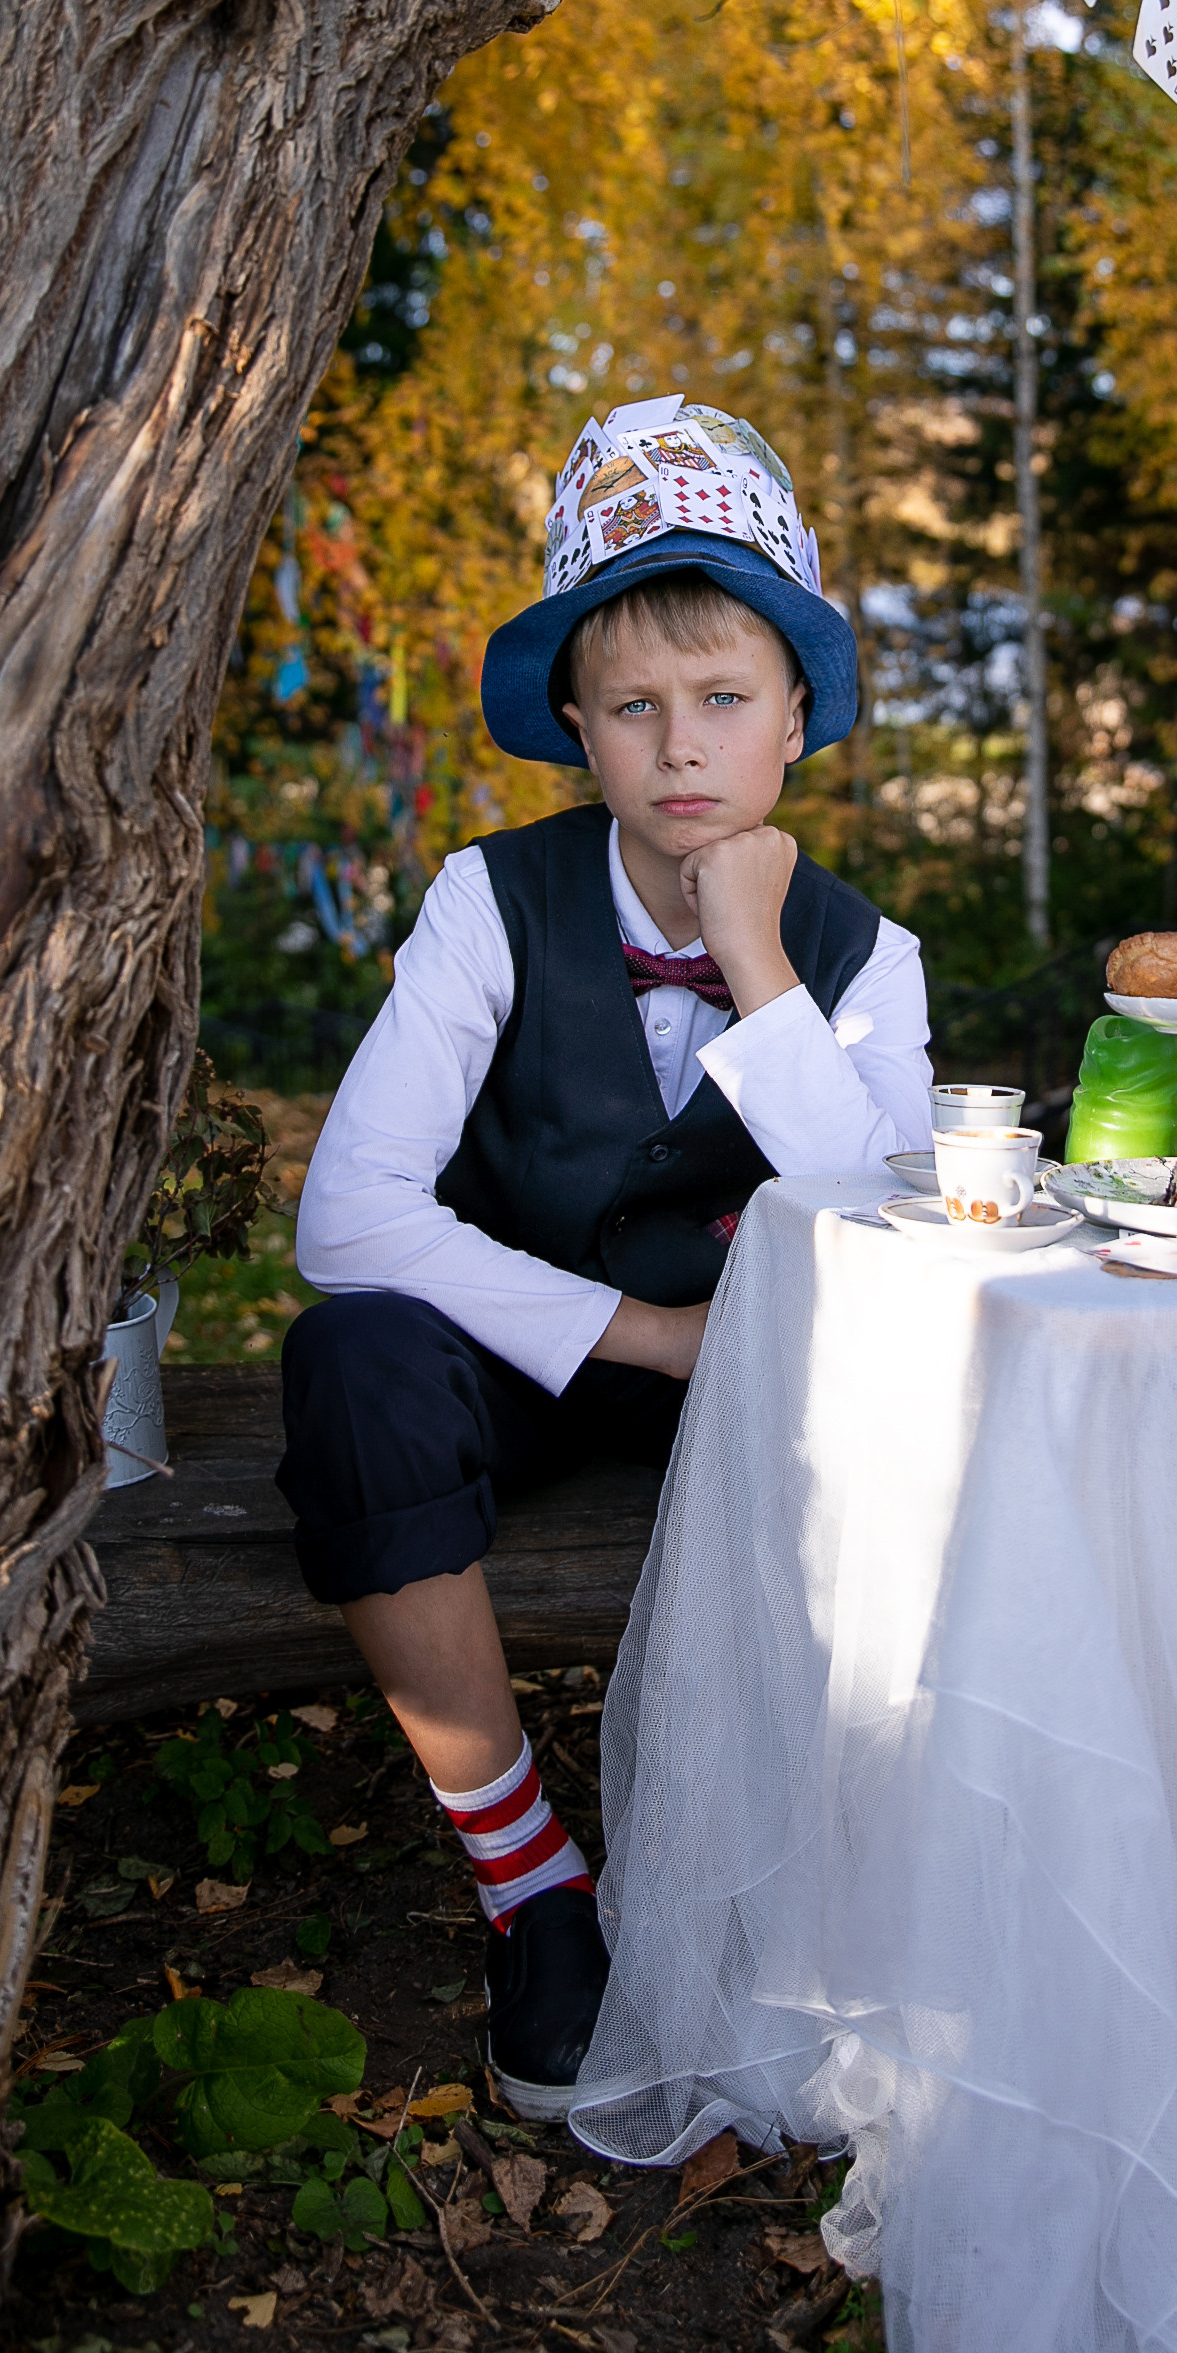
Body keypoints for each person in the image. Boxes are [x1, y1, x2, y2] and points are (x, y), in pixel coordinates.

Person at [278, 396, 933, 2116]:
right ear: (577, 726)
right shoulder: (488, 902)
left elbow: (893, 1226)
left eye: (725, 699)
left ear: (797, 718)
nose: (682, 746)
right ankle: (529, 1877)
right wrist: (639, 1332)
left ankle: (837, 1888)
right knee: (350, 1362)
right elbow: (346, 1218)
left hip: (784, 1386)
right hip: (542, 1351)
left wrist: (755, 962)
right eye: (634, 707)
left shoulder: (867, 957)